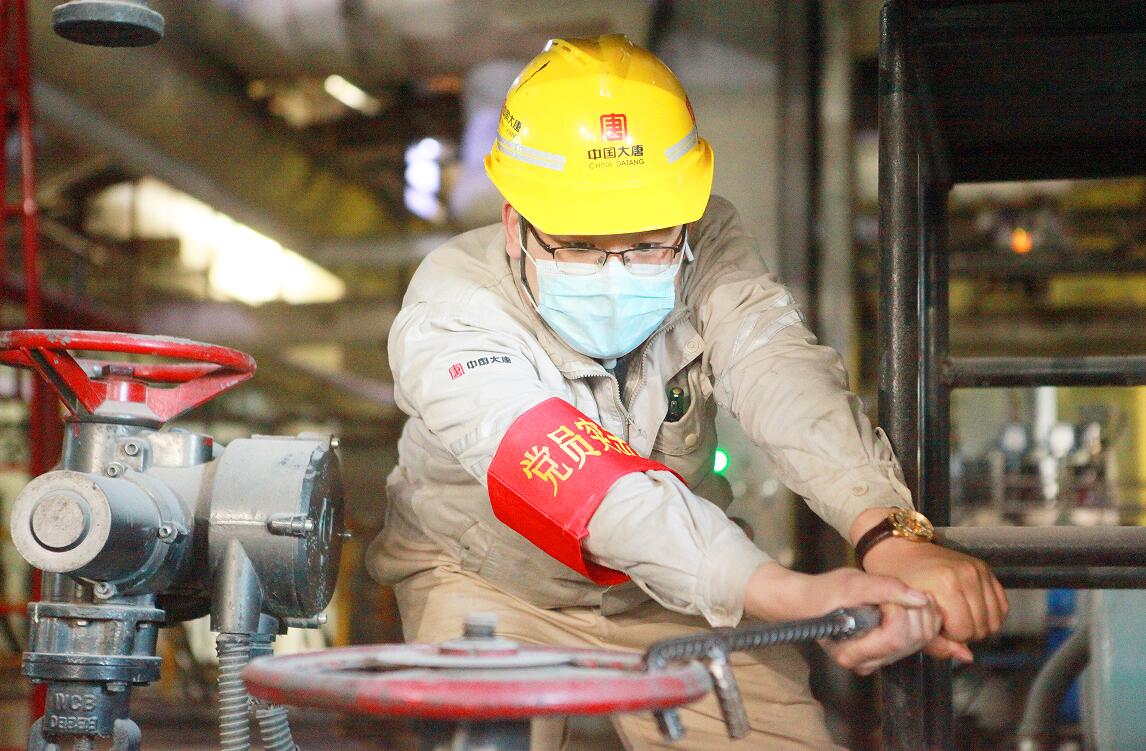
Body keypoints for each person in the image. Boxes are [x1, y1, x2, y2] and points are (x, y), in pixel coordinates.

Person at [367, 34, 1007, 750]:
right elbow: (583, 484)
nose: (616, 270)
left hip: (674, 589)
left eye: (647, 243)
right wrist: (790, 593)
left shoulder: (707, 239)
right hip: (486, 581)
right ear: (516, 224)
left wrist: (885, 532)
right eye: (578, 245)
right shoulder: (450, 310)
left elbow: (780, 373)